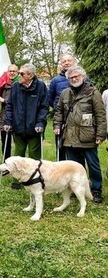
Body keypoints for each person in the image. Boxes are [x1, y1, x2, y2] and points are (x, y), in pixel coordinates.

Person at [53, 65, 106, 203]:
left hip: (88, 136)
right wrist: (57, 125)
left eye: (76, 76)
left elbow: (100, 115)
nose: (74, 79)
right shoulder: (65, 93)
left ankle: (96, 190)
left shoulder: (93, 92)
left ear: (83, 76)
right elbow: (59, 111)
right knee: (74, 166)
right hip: (70, 137)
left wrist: (100, 135)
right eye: (71, 77)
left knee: (93, 165)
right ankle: (77, 190)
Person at [4, 64, 48, 189]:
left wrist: (40, 122)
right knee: (18, 154)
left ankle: (34, 180)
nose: (19, 76)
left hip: (34, 128)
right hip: (18, 127)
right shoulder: (15, 86)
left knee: (34, 155)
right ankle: (17, 180)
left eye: (22, 74)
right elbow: (9, 105)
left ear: (31, 76)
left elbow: (44, 107)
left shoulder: (40, 86)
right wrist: (8, 121)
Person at [48, 54, 76, 160]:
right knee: (60, 148)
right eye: (64, 61)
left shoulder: (84, 78)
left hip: (78, 120)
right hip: (62, 120)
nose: (67, 63)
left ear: (74, 62)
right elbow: (50, 99)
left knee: (77, 149)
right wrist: (58, 107)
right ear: (61, 64)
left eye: (69, 60)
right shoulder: (55, 81)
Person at [0, 64, 19, 161]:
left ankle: (18, 163)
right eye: (10, 71)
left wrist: (4, 100)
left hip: (17, 118)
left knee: (18, 143)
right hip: (4, 118)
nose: (12, 73)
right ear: (7, 72)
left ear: (17, 73)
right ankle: (6, 162)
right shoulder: (3, 86)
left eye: (14, 71)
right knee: (5, 142)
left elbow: (17, 101)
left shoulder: (20, 85)